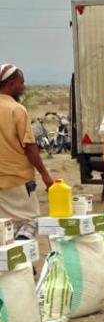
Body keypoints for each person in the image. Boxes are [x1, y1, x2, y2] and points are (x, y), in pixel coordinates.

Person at [0, 64, 53, 240]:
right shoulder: (17, 109)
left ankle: (13, 266)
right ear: (12, 83)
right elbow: (30, 147)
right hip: (18, 179)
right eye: (21, 82)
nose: (23, 87)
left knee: (5, 227)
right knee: (29, 222)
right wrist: (45, 175)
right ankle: (25, 262)